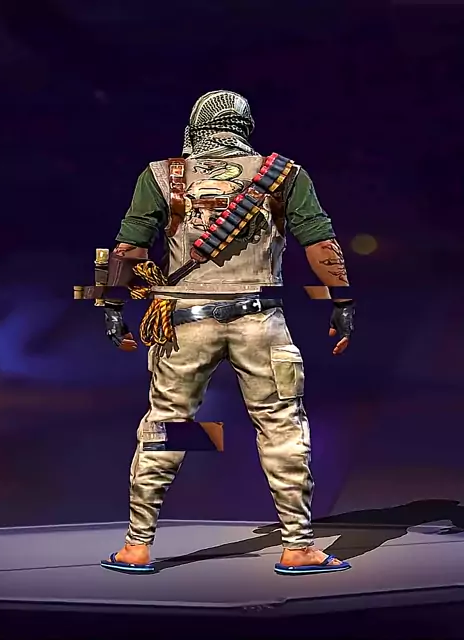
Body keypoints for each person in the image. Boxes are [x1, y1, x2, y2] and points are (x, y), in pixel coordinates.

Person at [99, 90, 355, 576]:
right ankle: (297, 547)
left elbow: (130, 247)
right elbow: (321, 243)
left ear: (196, 126)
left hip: (183, 323)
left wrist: (112, 305)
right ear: (245, 126)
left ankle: (136, 546)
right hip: (260, 320)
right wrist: (342, 302)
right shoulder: (283, 174)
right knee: (280, 426)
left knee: (168, 424)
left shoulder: (162, 174)